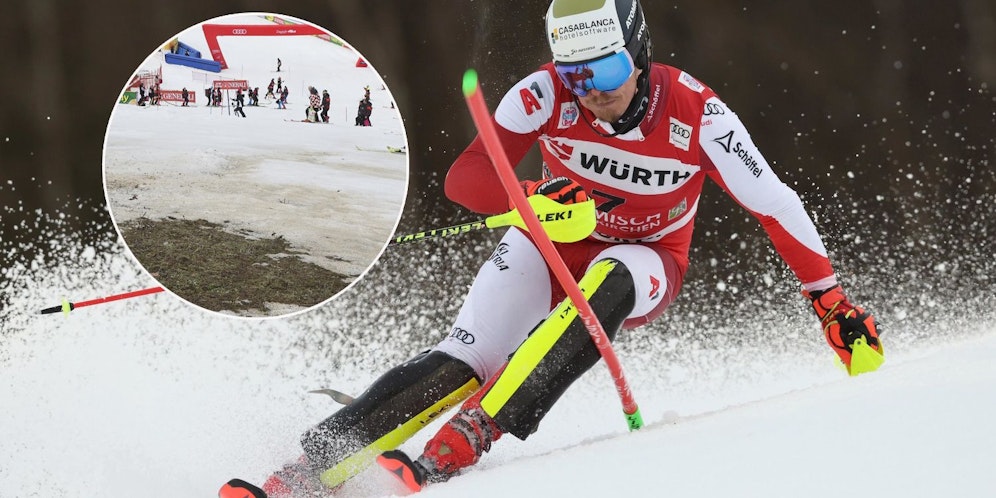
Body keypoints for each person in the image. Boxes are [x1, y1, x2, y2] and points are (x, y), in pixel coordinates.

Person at [220, 0, 882, 496]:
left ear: (639, 53)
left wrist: (829, 303)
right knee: (468, 355)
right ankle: (305, 473)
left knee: (613, 277)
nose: (594, 89)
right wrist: (529, 197)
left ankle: (469, 437)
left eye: (609, 67)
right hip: (548, 244)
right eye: (577, 74)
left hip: (648, 258)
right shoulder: (543, 94)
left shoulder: (697, 113)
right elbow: (466, 177)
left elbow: (775, 202)